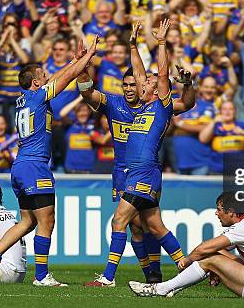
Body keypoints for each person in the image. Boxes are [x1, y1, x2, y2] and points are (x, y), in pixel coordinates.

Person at [79, 21, 195, 286]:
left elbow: (163, 76)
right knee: (153, 226)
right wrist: (133, 45)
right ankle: (186, 266)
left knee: (119, 220)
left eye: (148, 83)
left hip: (144, 171)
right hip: (131, 172)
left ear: (156, 89)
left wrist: (162, 43)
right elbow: (143, 74)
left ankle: (108, 277)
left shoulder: (163, 106)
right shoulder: (141, 107)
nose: (142, 83)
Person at [0, 36, 100, 286]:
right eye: (43, 75)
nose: (47, 76)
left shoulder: (24, 99)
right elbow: (64, 80)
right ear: (35, 82)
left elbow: (57, 78)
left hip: (20, 165)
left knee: (27, 221)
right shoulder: (37, 98)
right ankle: (42, 276)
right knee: (47, 220)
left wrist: (75, 59)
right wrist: (88, 58)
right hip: (35, 165)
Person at [128, 192, 244, 299]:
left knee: (208, 258)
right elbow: (219, 249)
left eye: (219, 210)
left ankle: (160, 289)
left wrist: (187, 260)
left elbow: (204, 248)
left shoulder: (242, 228)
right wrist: (216, 270)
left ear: (231, 212)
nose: (216, 213)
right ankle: (175, 287)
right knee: (215, 256)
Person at [199, 101, 244, 174]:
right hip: (218, 170)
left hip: (240, 171)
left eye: (231, 109)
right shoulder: (215, 126)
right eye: (224, 109)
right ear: (220, 111)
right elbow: (203, 139)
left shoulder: (243, 126)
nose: (227, 112)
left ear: (235, 111)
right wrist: (213, 122)